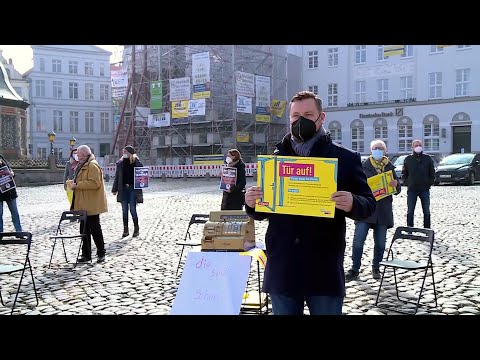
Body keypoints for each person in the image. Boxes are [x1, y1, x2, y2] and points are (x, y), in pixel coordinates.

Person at [244, 91, 376, 315]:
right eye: (295, 116)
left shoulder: (345, 158)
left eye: (307, 114)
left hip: (323, 267)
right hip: (283, 267)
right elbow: (263, 211)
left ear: (321, 117)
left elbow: (369, 205)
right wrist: (251, 203)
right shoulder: (275, 161)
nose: (300, 121)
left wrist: (353, 202)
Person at [345, 139, 401, 281]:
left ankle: (376, 267)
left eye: (380, 148)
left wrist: (396, 185)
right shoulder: (363, 166)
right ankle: (354, 268)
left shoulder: (389, 167)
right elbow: (355, 185)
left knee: (381, 243)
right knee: (358, 242)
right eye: (375, 148)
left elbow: (397, 189)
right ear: (371, 151)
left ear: (385, 151)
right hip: (365, 210)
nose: (378, 150)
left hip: (383, 211)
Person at [68, 145, 108, 263]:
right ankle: (86, 254)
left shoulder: (92, 165)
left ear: (85, 154)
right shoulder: (82, 164)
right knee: (84, 230)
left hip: (92, 204)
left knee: (95, 229)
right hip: (84, 203)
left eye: (79, 154)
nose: (77, 156)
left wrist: (78, 185)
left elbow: (95, 183)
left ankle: (101, 253)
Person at [401, 139, 435, 228]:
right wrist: (408, 183)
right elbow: (404, 173)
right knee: (410, 211)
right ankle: (410, 228)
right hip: (412, 189)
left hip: (424, 189)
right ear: (412, 147)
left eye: (419, 145)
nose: (418, 147)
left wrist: (429, 183)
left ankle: (427, 228)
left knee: (426, 211)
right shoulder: (408, 159)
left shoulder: (427, 158)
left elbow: (432, 173)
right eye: (416, 146)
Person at [112, 145, 144, 237]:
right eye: (123, 152)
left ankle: (136, 228)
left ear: (130, 153)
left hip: (133, 188)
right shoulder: (120, 163)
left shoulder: (136, 163)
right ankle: (125, 229)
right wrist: (114, 189)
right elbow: (117, 177)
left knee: (133, 209)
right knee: (124, 210)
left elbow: (141, 175)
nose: (124, 153)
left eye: (126, 152)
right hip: (123, 189)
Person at [0, 154, 22, 233]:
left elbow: (10, 169)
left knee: (14, 212)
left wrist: (12, 173)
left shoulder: (2, 158)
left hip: (9, 191)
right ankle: (0, 234)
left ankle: (19, 232)